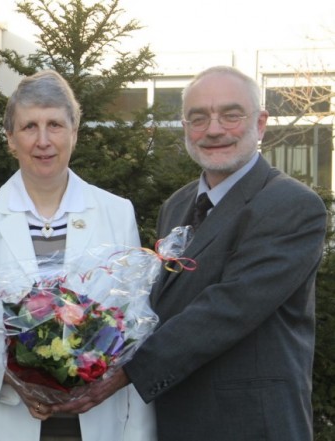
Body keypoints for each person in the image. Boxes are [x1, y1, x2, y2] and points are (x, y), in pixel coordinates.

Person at [51, 65, 328, 441]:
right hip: (174, 418)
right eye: (199, 118)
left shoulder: (291, 204)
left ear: (260, 123)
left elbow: (228, 307)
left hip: (252, 424)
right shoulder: (177, 205)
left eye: (231, 115)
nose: (213, 130)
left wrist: (123, 373)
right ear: (185, 128)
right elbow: (155, 306)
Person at [0, 69, 156, 441]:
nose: (43, 140)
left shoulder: (116, 212)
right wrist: (15, 381)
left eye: (55, 125)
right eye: (29, 126)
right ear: (10, 139)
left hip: (98, 419)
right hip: (7, 419)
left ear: (74, 133)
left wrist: (96, 379)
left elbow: (135, 324)